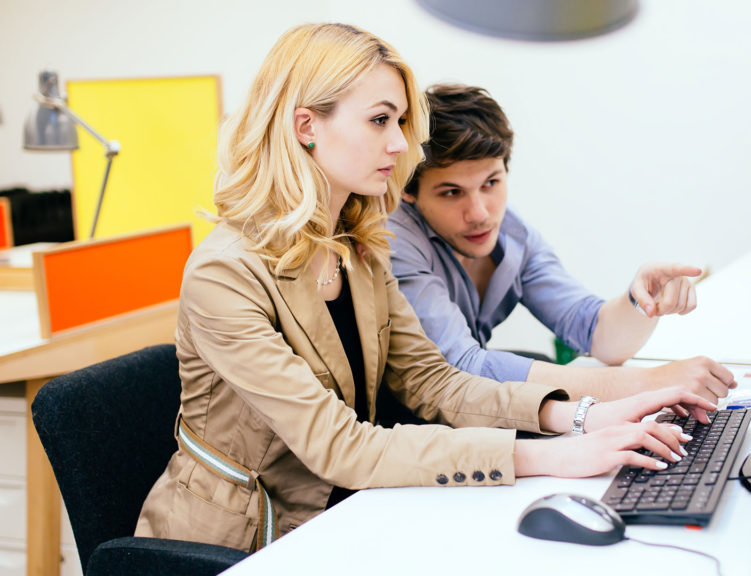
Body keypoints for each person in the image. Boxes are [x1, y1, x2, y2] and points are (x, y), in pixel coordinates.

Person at [134, 23, 716, 553]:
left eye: (401, 122)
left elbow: (434, 381)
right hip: (240, 541)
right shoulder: (225, 273)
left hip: (345, 510)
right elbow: (341, 446)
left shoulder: (356, 245)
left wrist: (584, 417)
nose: (399, 146)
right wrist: (553, 457)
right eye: (380, 120)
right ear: (307, 126)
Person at [387, 84, 737, 405]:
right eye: (452, 193)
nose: (479, 213)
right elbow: (463, 368)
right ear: (408, 189)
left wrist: (640, 299)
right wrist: (649, 382)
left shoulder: (514, 235)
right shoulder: (397, 240)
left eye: (491, 183)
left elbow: (594, 333)